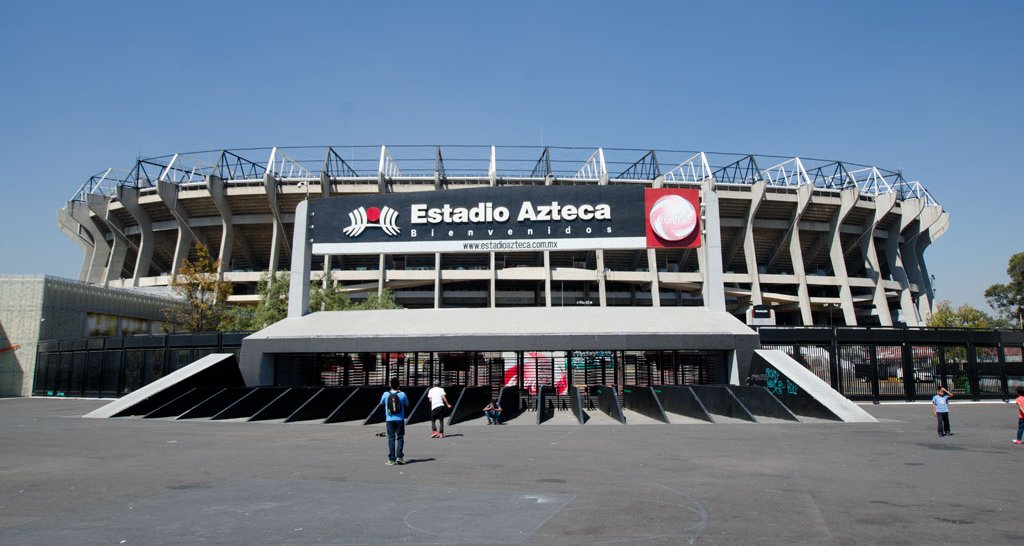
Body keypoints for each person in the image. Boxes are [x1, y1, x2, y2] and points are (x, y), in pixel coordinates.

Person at [380, 377, 409, 465]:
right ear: (398, 385)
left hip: (389, 419)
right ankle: (399, 457)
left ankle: (391, 459)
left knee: (391, 438)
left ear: (390, 385)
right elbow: (407, 404)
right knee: (400, 438)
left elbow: (381, 403)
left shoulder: (385, 394)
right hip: (400, 419)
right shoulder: (402, 394)